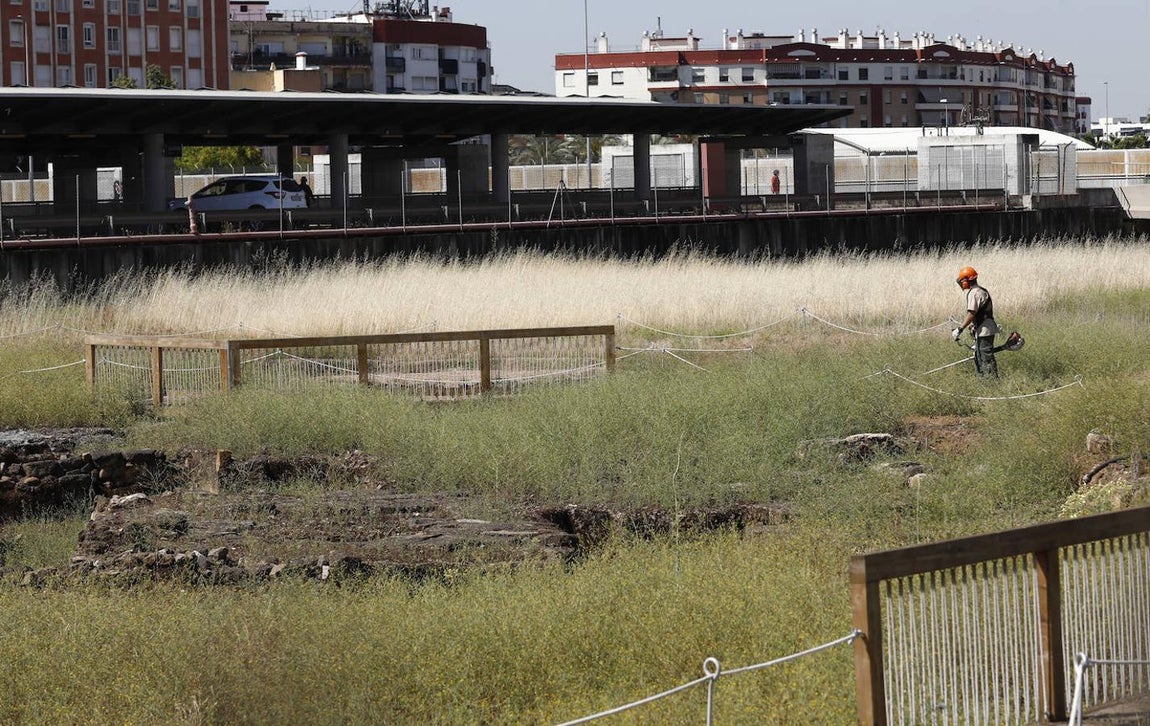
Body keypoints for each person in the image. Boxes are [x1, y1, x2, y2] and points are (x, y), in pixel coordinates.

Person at [951, 266, 1000, 377]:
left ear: (966, 281)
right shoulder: (980, 290)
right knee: (979, 357)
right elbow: (978, 313)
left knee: (986, 359)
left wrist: (960, 329)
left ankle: (992, 382)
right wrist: (973, 324)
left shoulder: (974, 293)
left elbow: (971, 313)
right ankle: (984, 382)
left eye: (962, 281)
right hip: (983, 328)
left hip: (985, 330)